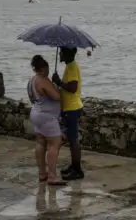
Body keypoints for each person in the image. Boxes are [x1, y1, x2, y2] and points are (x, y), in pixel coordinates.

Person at [27, 55, 67, 185]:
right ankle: (52, 176)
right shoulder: (43, 80)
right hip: (47, 116)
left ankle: (42, 173)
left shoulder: (32, 80)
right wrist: (57, 85)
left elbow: (32, 99)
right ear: (44, 68)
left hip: (36, 113)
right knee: (55, 143)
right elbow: (56, 97)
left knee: (40, 142)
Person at [52, 47, 84, 180]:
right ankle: (74, 166)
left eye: (62, 52)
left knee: (73, 139)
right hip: (70, 107)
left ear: (67, 53)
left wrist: (59, 82)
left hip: (72, 108)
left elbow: (73, 87)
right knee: (71, 140)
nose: (60, 54)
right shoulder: (70, 66)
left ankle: (77, 170)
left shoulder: (71, 67)